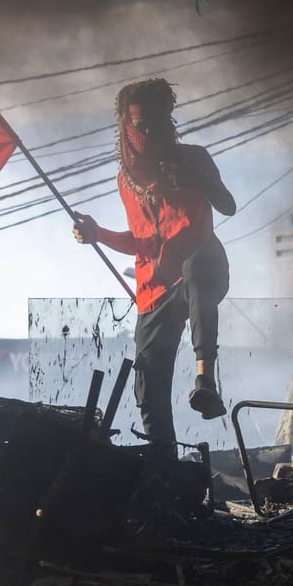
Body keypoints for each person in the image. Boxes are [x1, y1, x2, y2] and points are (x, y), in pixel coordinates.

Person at [71, 78, 235, 451]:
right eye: (141, 126)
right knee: (148, 386)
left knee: (196, 268)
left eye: (159, 123)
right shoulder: (125, 181)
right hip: (153, 293)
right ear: (125, 128)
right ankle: (165, 470)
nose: (151, 132)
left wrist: (196, 181)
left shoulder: (193, 158)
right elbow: (141, 242)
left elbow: (228, 205)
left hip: (202, 272)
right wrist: (98, 234)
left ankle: (204, 381)